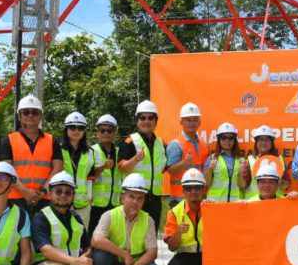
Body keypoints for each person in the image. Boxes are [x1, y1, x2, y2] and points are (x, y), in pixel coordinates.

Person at [30, 171, 101, 265]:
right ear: (50, 193)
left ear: (73, 196)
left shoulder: (76, 218)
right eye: (58, 191)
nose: (63, 195)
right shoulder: (40, 217)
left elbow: (87, 247)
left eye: (68, 192)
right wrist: (75, 261)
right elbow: (46, 250)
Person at [91, 173, 164, 265]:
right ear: (122, 197)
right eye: (131, 196)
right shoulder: (109, 215)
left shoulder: (148, 220)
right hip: (113, 262)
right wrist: (124, 254)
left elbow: (152, 252)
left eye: (139, 198)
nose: (135, 202)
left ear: (143, 201)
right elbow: (96, 240)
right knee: (99, 257)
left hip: (136, 264)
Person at [0, 94, 63, 213]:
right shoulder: (9, 141)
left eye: (35, 112)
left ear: (40, 116)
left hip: (44, 199)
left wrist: (42, 192)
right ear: (19, 116)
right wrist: (25, 192)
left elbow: (58, 168)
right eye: (26, 112)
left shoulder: (52, 141)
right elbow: (6, 169)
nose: (30, 115)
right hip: (16, 198)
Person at [119, 100, 167, 229]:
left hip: (154, 199)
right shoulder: (130, 141)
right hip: (134, 198)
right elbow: (122, 168)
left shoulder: (162, 143)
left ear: (156, 121)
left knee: (151, 235)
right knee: (131, 235)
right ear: (137, 121)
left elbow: (163, 168)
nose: (147, 121)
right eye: (143, 118)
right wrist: (135, 159)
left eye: (150, 118)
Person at [164, 168, 206, 265]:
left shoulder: (212, 208)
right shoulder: (174, 213)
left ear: (203, 190)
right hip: (186, 258)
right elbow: (172, 247)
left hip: (208, 257)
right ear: (183, 191)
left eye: (197, 187)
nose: (193, 191)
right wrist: (178, 233)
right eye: (189, 188)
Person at [166, 102, 209, 208]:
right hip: (180, 199)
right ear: (181, 122)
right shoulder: (175, 144)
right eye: (188, 120)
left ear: (199, 122)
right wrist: (184, 164)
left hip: (200, 197)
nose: (192, 123)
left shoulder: (204, 145)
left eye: (195, 120)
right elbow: (171, 170)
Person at [60, 112, 95, 227]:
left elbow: (90, 177)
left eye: (80, 128)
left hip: (82, 203)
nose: (76, 131)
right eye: (72, 127)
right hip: (61, 200)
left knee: (81, 236)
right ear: (66, 129)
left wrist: (89, 198)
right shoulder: (58, 149)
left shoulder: (90, 152)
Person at [89, 114, 122, 235]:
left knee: (112, 237)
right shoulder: (91, 151)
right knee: (93, 236)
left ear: (114, 133)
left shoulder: (120, 152)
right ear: (97, 132)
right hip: (95, 205)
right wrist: (103, 167)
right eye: (102, 130)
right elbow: (88, 176)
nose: (106, 133)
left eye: (109, 130)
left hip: (115, 203)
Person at [204, 122, 248, 202]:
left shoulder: (241, 159)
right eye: (223, 137)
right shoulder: (211, 158)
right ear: (219, 139)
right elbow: (206, 183)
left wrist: (241, 173)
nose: (227, 141)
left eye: (230, 138)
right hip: (216, 203)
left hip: (236, 203)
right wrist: (210, 169)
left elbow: (243, 185)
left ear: (234, 140)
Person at [243, 125, 289, 200]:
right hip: (255, 203)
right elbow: (243, 186)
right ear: (256, 142)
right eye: (261, 140)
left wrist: (279, 179)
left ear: (272, 142)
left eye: (267, 140)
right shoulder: (250, 161)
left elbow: (286, 186)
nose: (264, 143)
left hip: (276, 203)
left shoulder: (280, 160)